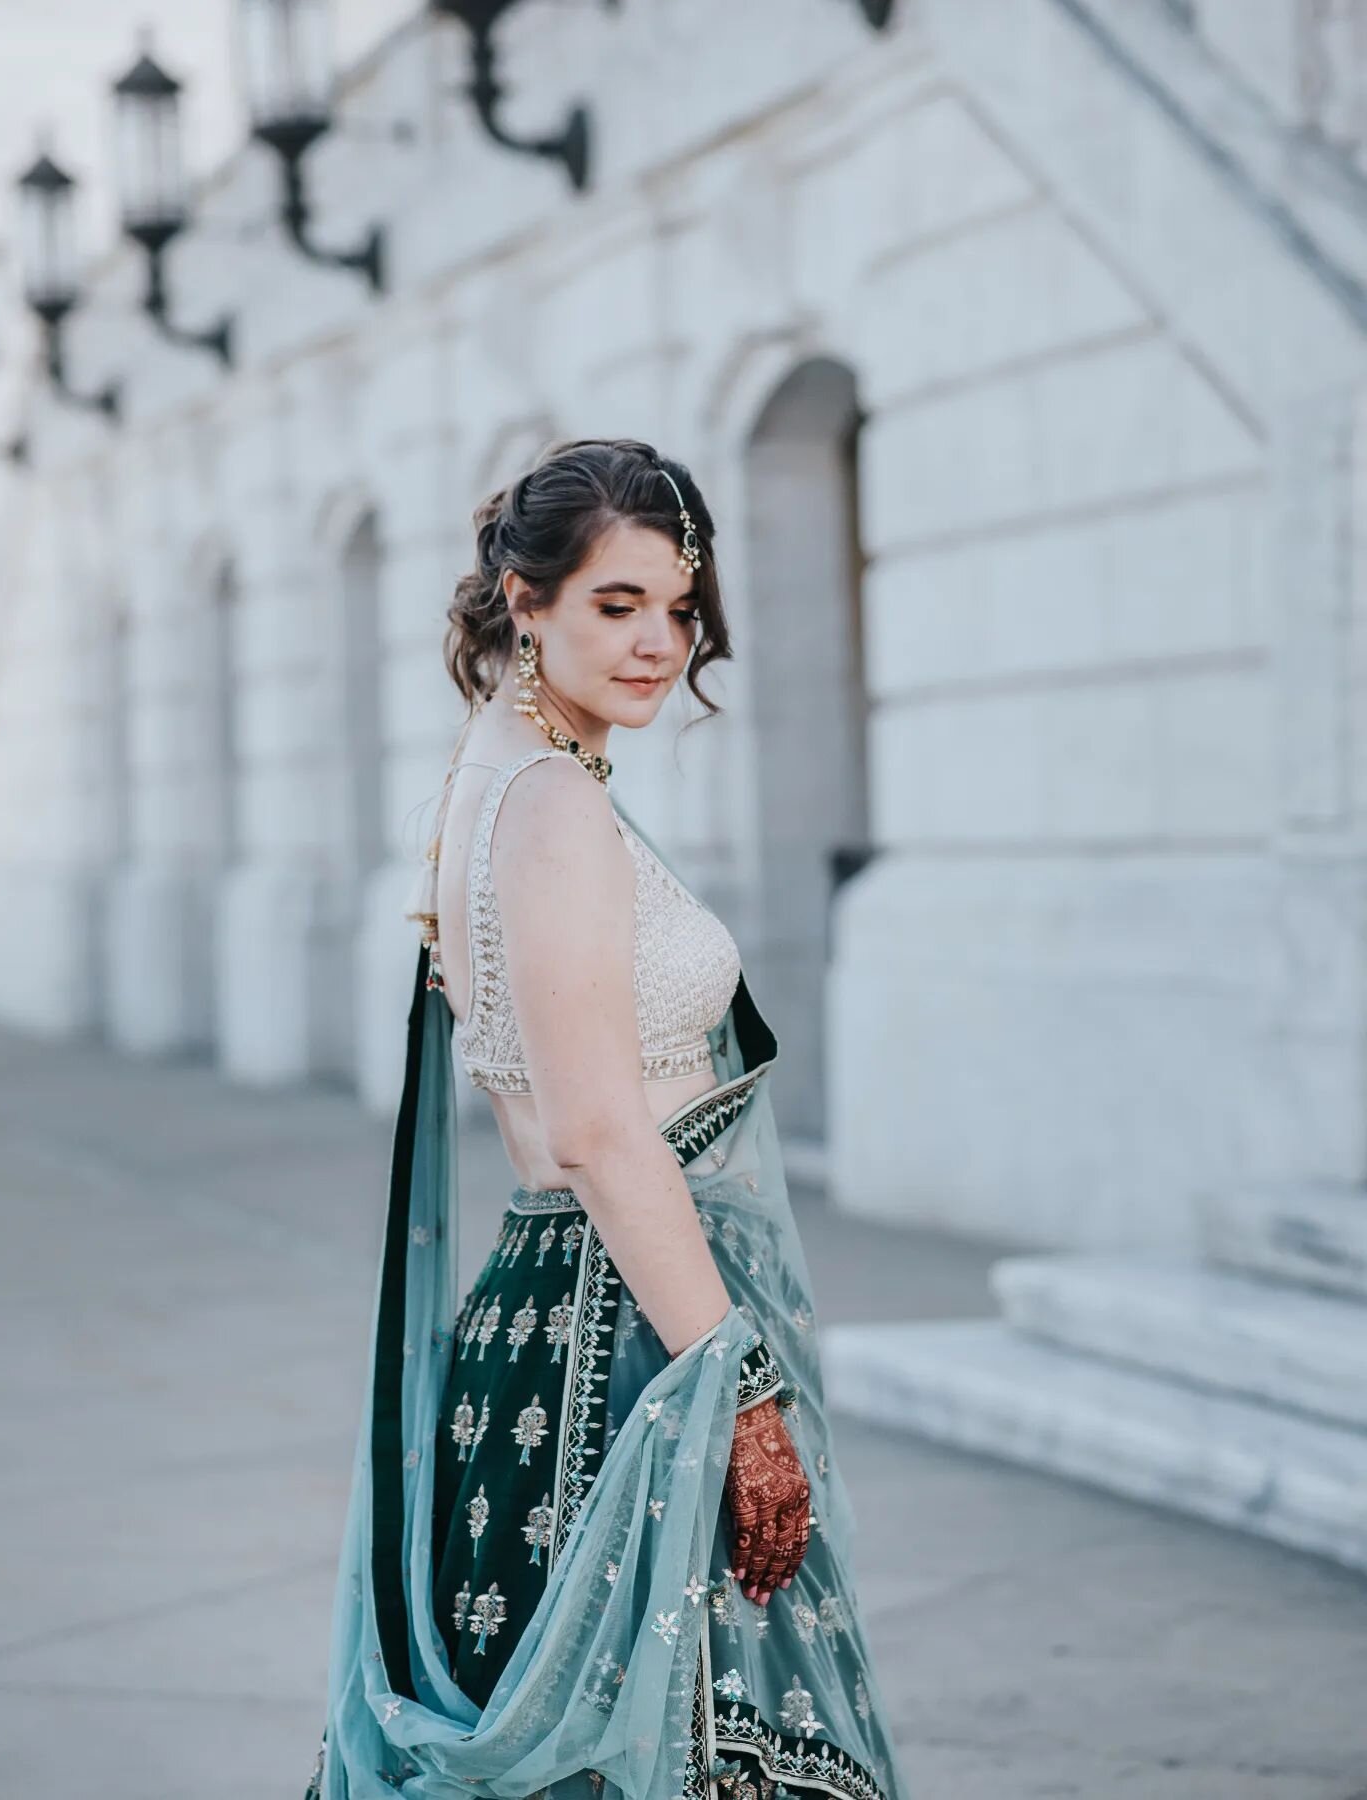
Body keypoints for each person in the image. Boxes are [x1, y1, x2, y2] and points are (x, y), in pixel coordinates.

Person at [304, 438, 914, 1800]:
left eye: (678, 607)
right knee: (694, 1750)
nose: (658, 645)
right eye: (615, 605)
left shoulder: (500, 769)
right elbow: (596, 1131)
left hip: (556, 1308)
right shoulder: (550, 809)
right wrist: (738, 1389)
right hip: (627, 1335)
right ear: (526, 599)